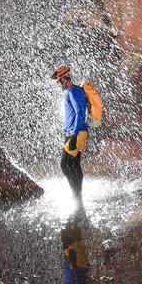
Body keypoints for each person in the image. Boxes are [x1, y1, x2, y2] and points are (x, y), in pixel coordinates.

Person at [52, 65, 88, 197]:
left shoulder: (73, 91)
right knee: (73, 164)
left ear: (64, 79)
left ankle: (76, 193)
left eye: (59, 81)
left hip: (76, 133)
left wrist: (73, 135)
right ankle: (77, 194)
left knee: (65, 164)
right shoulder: (75, 91)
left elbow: (80, 112)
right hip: (76, 132)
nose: (59, 84)